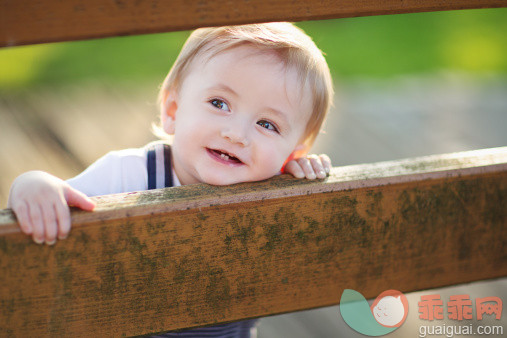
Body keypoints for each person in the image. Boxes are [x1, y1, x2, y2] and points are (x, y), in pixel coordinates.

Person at [7, 22, 333, 337]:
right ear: (173, 110)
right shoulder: (130, 174)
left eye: (267, 125)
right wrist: (34, 184)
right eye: (219, 104)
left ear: (294, 151)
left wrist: (296, 181)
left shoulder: (278, 193)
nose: (236, 134)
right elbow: (58, 203)